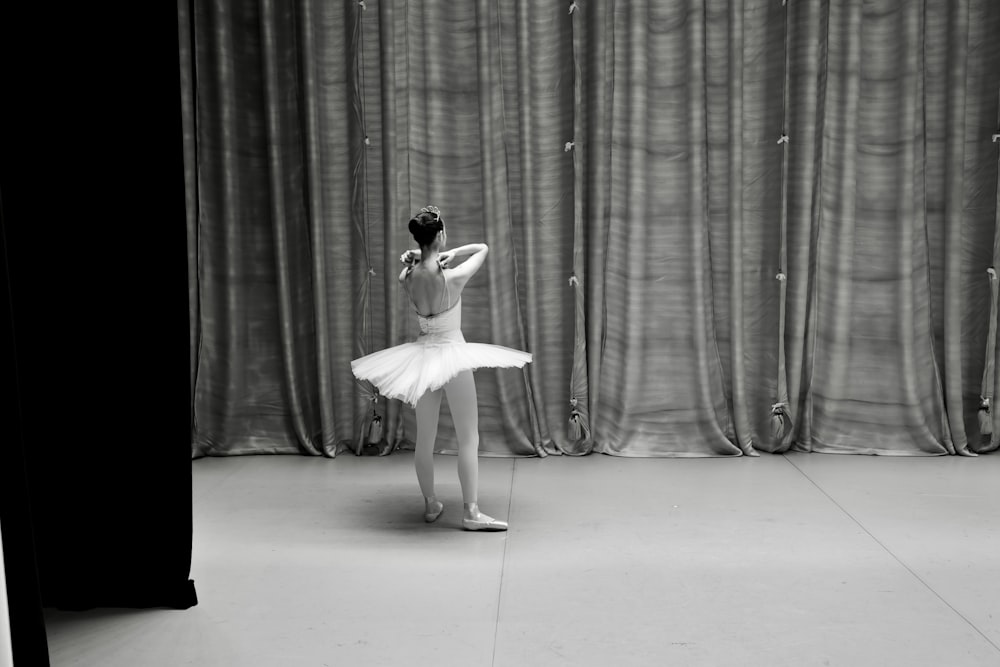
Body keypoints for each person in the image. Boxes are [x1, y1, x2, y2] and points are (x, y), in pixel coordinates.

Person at [350, 206, 532, 531]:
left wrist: (420, 256)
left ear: (419, 239)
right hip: (452, 355)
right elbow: (483, 248)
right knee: (468, 437)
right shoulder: (454, 277)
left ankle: (431, 503)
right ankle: (472, 512)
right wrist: (450, 251)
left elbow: (412, 265)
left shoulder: (406, 277)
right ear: (441, 235)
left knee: (425, 439)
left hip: (423, 356)